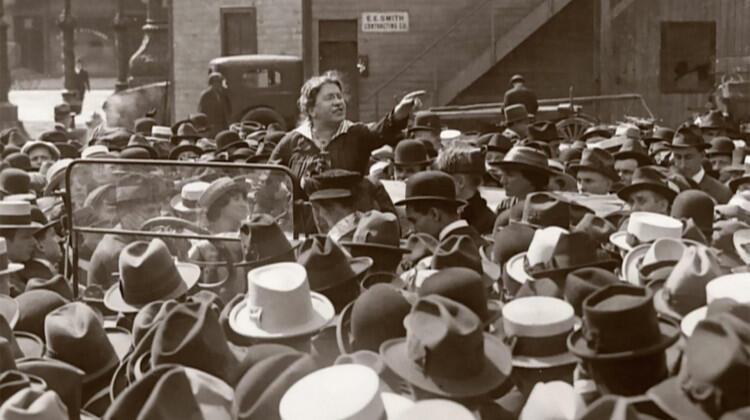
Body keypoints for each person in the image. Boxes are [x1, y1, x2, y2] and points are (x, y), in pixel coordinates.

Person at [270, 71, 423, 182]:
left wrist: (399, 113)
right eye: (329, 98)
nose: (338, 102)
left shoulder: (356, 134)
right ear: (312, 110)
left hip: (349, 222)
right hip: (303, 223)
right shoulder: (291, 142)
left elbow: (381, 130)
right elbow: (268, 180)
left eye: (339, 96)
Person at [395, 170, 482, 246]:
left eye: (414, 221)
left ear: (434, 214)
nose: (411, 231)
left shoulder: (448, 253)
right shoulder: (480, 244)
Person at [434, 145, 495, 235]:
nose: (436, 183)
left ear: (459, 181)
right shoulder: (439, 212)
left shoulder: (486, 222)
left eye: (441, 177)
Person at [669, 125, 731, 204]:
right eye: (678, 157)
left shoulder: (721, 192)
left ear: (702, 155)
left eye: (688, 157)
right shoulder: (665, 185)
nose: (682, 164)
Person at [198, 72, 232, 137]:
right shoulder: (206, 96)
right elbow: (202, 112)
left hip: (222, 127)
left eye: (220, 82)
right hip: (211, 128)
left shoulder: (222, 95)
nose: (219, 85)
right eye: (217, 82)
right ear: (212, 83)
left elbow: (227, 110)